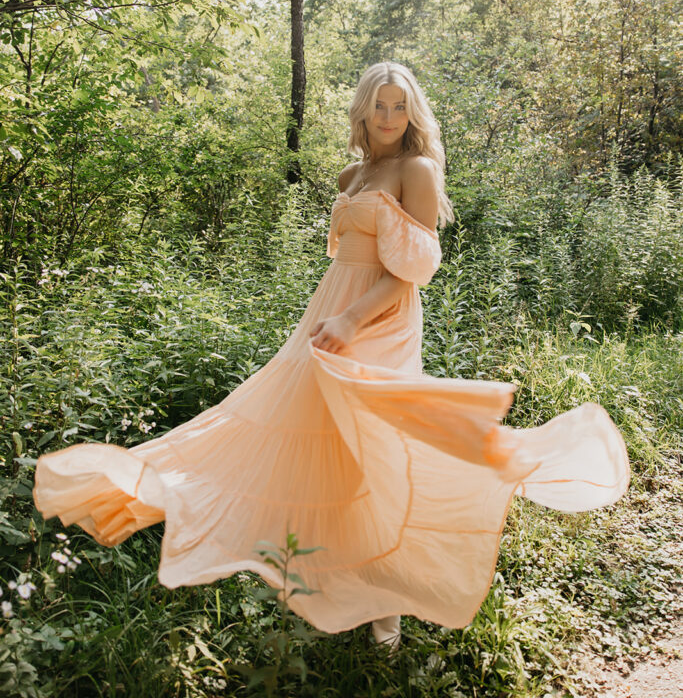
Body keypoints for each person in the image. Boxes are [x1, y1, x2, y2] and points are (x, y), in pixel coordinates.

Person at [32, 61, 630, 655]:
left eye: (400, 106)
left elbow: (410, 272)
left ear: (412, 112)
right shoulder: (352, 173)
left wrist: (351, 320)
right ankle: (329, 579)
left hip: (378, 320)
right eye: (380, 105)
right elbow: (348, 257)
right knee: (294, 426)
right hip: (329, 313)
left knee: (377, 451)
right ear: (363, 109)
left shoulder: (417, 170)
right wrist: (333, 317)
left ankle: (388, 610)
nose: (390, 117)